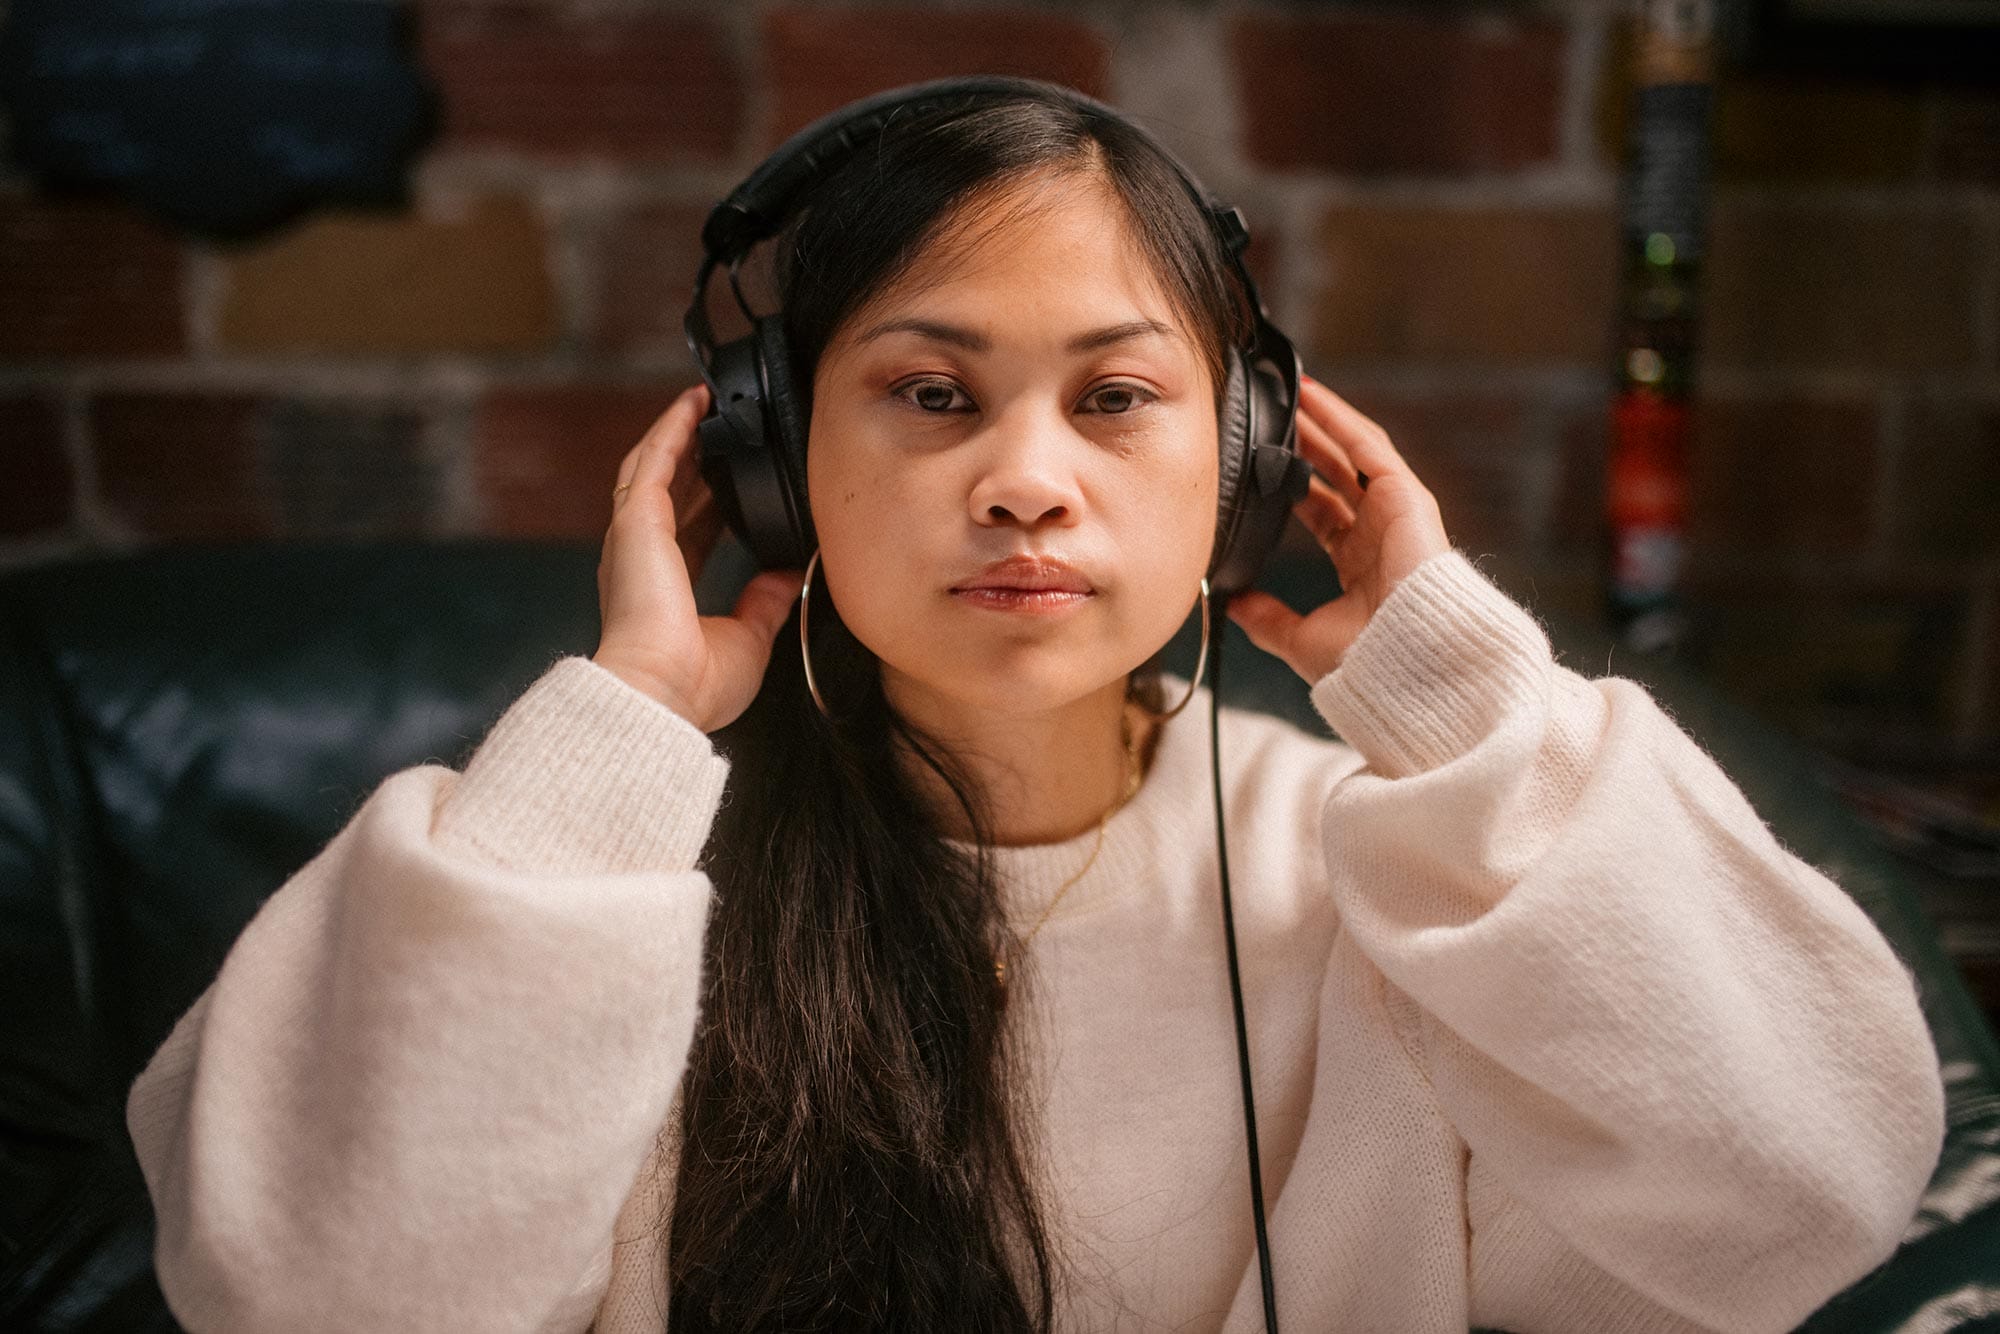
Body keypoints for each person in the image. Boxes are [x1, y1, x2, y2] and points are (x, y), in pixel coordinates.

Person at [127, 83, 1945, 1334]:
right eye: (930, 395)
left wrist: (1475, 714)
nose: (1024, 482)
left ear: (1244, 460)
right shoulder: (587, 888)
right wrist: (618, 736)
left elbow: (1797, 1198)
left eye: (1117, 399)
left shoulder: (1400, 878)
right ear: (767, 464)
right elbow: (308, 1293)